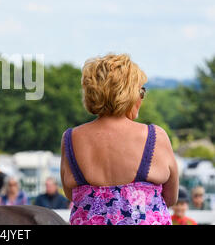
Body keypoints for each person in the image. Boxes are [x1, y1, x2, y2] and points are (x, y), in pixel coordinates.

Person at [61, 54, 179, 225]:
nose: (141, 98)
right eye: (141, 91)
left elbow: (71, 194)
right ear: (129, 94)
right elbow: (170, 197)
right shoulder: (155, 137)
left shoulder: (71, 139)